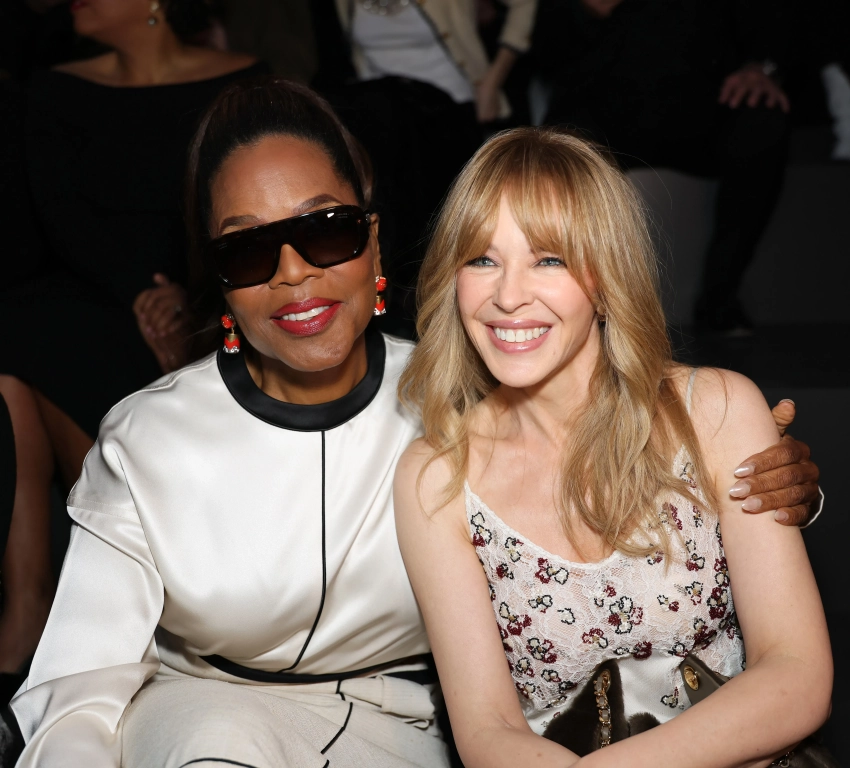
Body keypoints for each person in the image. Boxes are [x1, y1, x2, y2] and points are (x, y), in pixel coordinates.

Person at [8, 80, 822, 766]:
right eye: (248, 251)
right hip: (218, 721)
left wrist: (782, 485)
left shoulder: (454, 388)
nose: (293, 274)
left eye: (323, 230)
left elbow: (615, 424)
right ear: (220, 282)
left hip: (414, 728)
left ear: (371, 241)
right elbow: (77, 685)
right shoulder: (150, 443)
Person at [394, 127, 833, 767]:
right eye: (481, 260)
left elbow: (796, 675)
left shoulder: (716, 411)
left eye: (549, 259)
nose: (508, 295)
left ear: (604, 277)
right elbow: (487, 731)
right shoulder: (436, 477)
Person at [0, 0, 264, 685]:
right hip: (95, 291)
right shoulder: (56, 89)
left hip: (209, 287)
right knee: (26, 334)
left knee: (49, 345)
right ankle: (35, 601)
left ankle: (136, 598)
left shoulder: (244, 83)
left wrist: (185, 293)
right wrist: (141, 295)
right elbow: (58, 217)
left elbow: (240, 209)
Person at [533, 0, 794, 334]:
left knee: (762, 125)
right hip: (600, 101)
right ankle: (580, 301)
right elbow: (547, 52)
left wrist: (761, 67)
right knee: (560, 148)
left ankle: (720, 296)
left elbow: (765, 21)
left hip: (703, 101)